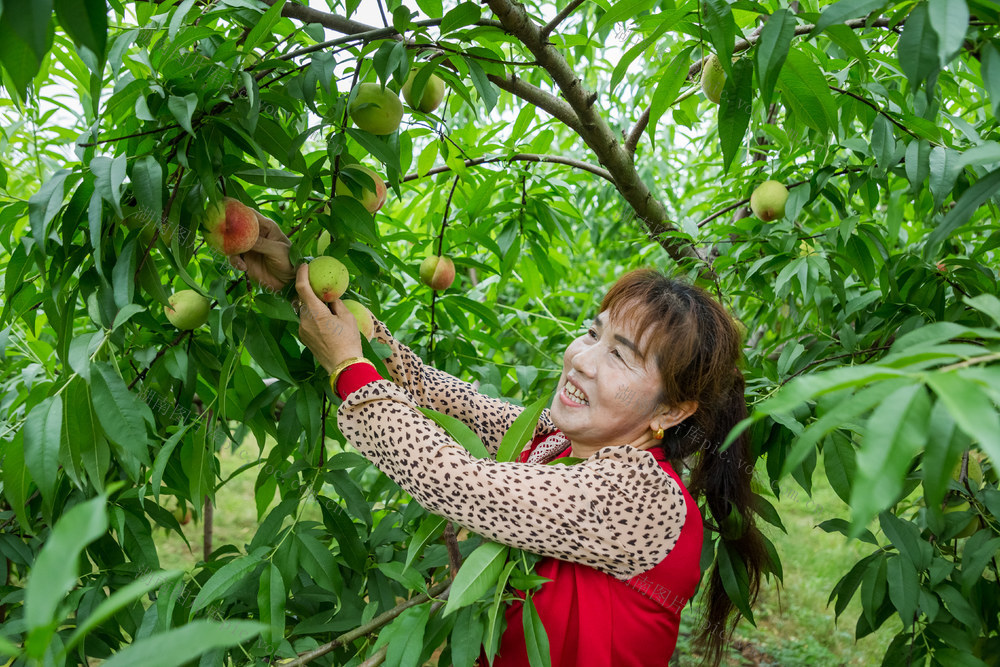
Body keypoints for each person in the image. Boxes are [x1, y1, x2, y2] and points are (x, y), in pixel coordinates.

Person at [232, 217, 766, 666]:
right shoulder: (559, 443)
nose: (580, 359)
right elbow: (434, 395)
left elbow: (459, 482)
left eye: (620, 356)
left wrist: (348, 368)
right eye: (591, 332)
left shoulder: (641, 493)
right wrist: (308, 287)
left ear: (673, 410)